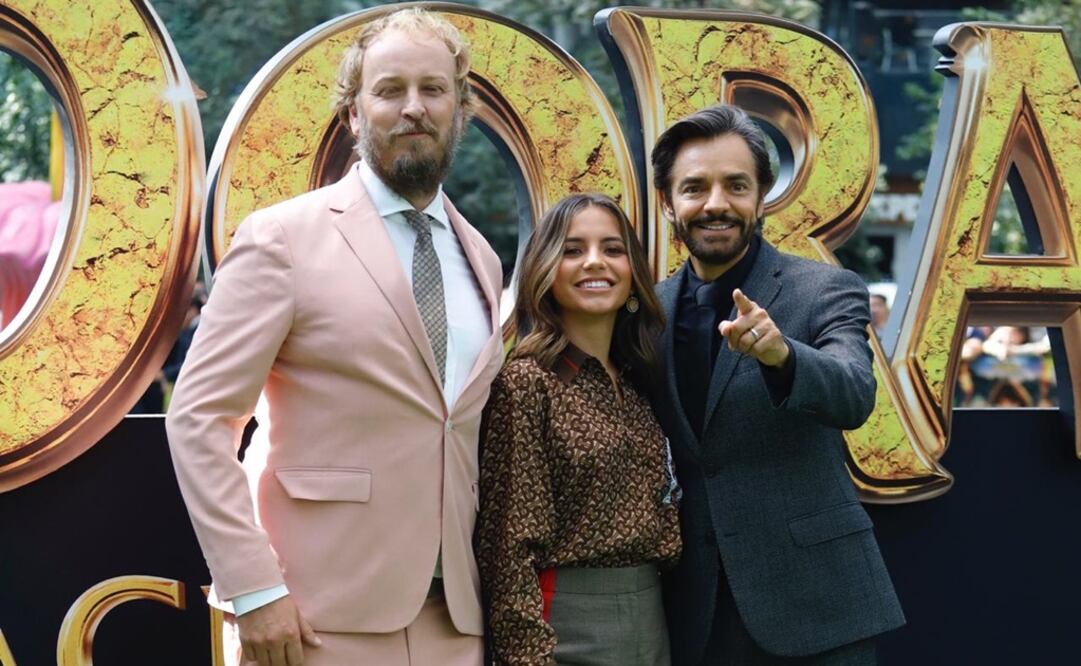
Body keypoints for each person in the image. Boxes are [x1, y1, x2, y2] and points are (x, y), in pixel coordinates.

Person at [166, 9, 503, 665]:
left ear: (461, 110)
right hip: (313, 618)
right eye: (389, 90)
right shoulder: (281, 238)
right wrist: (254, 589)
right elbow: (200, 418)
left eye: (433, 90)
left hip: (457, 618)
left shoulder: (482, 258)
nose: (413, 108)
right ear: (352, 114)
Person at [649, 104, 904, 665]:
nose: (716, 203)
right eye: (695, 188)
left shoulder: (825, 289)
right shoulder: (649, 312)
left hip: (818, 607)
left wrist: (781, 355)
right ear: (668, 203)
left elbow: (854, 394)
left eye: (736, 185)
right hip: (693, 616)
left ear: (761, 197)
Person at [477, 193, 681, 665]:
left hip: (652, 620)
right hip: (565, 625)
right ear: (545, 272)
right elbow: (507, 547)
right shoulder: (527, 384)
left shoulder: (636, 384)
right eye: (573, 250)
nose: (595, 262)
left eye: (612, 249)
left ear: (632, 274)